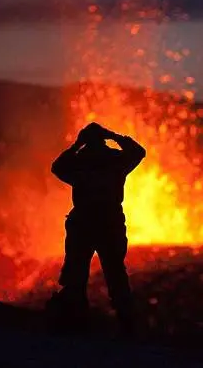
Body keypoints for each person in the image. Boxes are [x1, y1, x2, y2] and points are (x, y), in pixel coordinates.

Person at [49, 122, 146, 333]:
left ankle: (77, 323)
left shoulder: (80, 162)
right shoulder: (115, 160)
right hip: (109, 223)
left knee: (76, 274)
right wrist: (114, 136)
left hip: (83, 223)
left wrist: (76, 145)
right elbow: (139, 152)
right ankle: (126, 324)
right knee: (115, 274)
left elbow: (57, 167)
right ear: (103, 140)